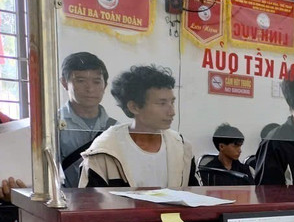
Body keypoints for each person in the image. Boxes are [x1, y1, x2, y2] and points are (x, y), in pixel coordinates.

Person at [78, 65, 196, 188]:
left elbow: (194, 193)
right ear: (134, 107)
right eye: (162, 103)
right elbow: (89, 198)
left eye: (172, 102)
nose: (172, 112)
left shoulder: (181, 147)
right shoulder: (104, 151)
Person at [58, 52, 119, 188]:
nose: (90, 89)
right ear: (64, 83)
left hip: (106, 199)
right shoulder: (53, 126)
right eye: (80, 81)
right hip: (65, 199)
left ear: (105, 85)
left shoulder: (115, 128)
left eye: (96, 82)